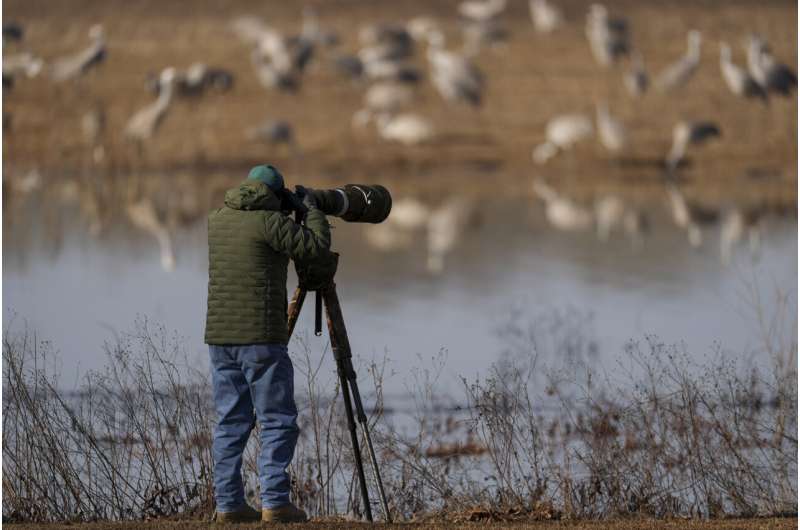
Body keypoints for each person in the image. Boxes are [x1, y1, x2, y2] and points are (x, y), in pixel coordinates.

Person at [204, 164, 330, 523]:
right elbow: (317, 249)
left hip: (220, 339)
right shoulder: (270, 223)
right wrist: (310, 211)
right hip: (260, 338)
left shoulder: (218, 219)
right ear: (275, 197)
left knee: (231, 421)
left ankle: (228, 505)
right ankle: (275, 502)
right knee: (277, 418)